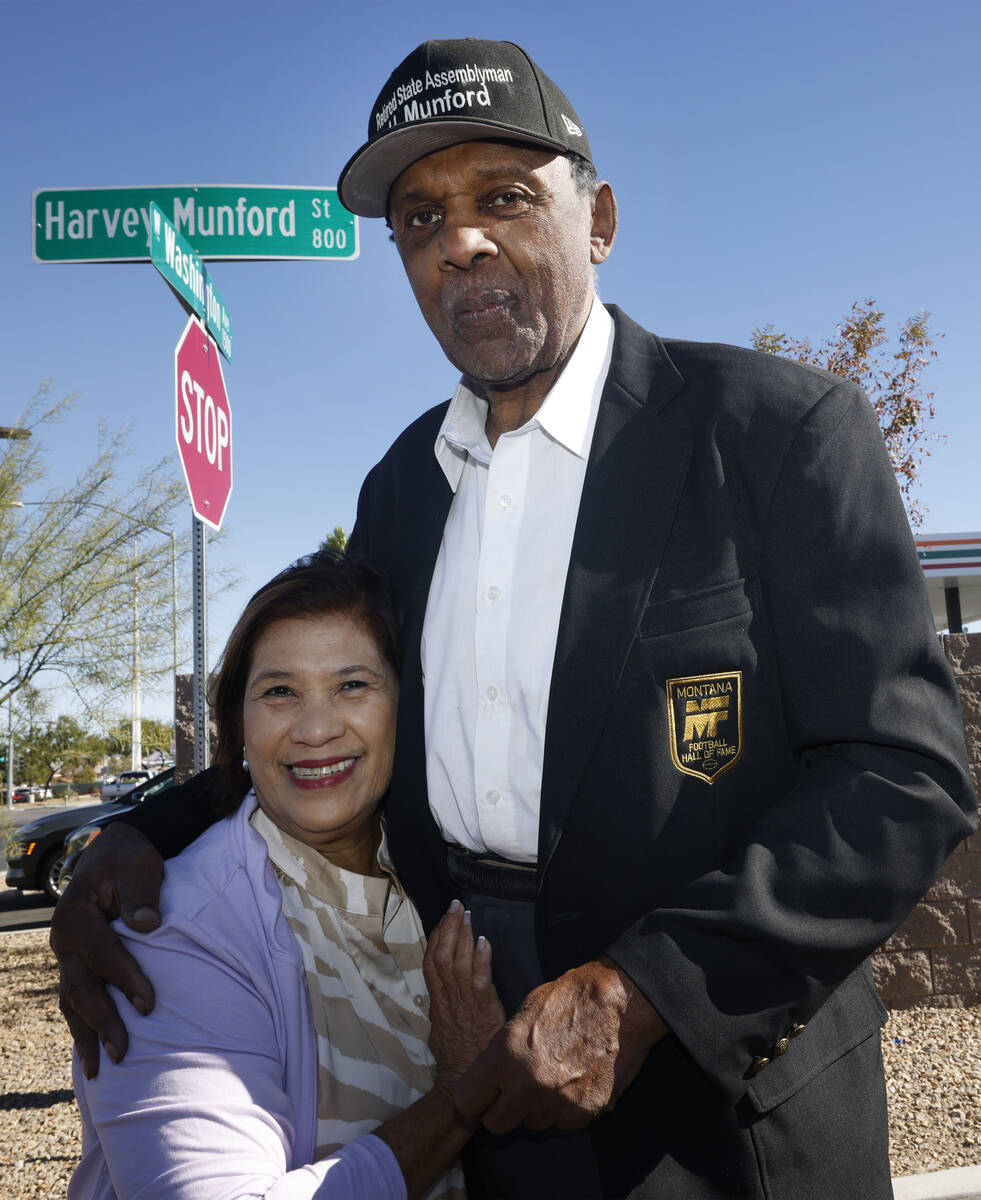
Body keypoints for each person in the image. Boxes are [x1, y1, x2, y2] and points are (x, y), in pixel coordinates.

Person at [54, 38, 978, 1200]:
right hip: (475, 1064)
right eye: (421, 219)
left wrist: (642, 992)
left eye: (504, 198)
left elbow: (901, 776)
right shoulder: (402, 486)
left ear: (597, 219)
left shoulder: (778, 433)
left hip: (730, 1095)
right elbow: (348, 720)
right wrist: (141, 836)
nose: (462, 242)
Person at [67, 551, 504, 1200]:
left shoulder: (440, 872)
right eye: (279, 691)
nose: (316, 727)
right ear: (238, 724)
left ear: (405, 706)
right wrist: (462, 1094)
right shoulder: (175, 931)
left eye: (352, 684)